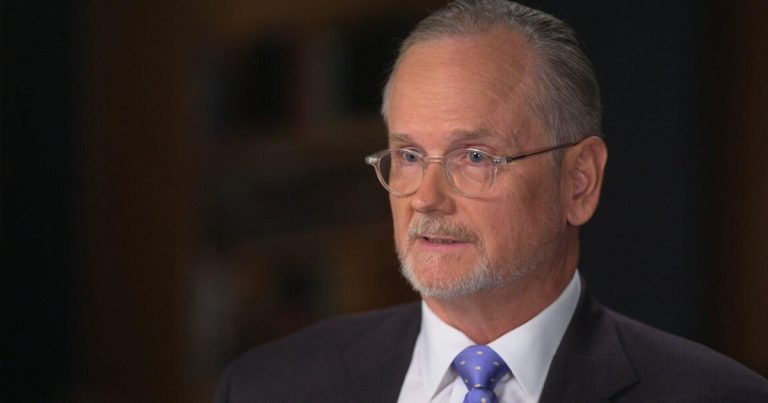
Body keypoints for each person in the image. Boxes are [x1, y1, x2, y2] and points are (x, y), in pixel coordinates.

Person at [214, 1, 768, 402]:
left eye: (475, 157)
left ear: (578, 182)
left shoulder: (716, 396)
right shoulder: (268, 387)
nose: (426, 199)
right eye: (409, 156)